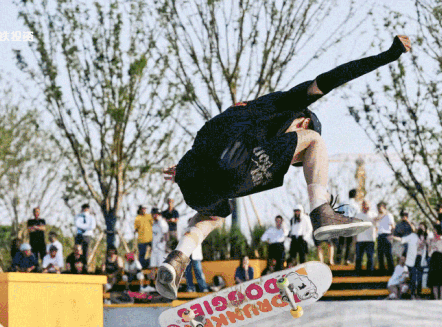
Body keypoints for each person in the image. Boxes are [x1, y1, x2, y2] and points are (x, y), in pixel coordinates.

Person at [155, 35, 412, 298]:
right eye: (296, 160)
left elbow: (211, 135)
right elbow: (334, 77)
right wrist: (387, 56)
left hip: (192, 173)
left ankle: (177, 259)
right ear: (303, 121)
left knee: (214, 215)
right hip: (236, 162)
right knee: (315, 142)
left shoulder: (247, 111)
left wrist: (188, 167)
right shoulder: (290, 104)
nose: (290, 160)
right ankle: (322, 211)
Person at [147, 208, 170, 292]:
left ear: (158, 214)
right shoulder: (154, 223)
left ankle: (163, 286)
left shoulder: (162, 222)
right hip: (154, 249)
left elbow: (166, 234)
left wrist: (165, 246)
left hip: (161, 249)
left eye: (154, 214)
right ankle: (151, 285)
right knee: (152, 266)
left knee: (161, 267)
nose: (153, 216)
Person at [335, 189, 360, 264]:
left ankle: (338, 260)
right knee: (349, 243)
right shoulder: (356, 205)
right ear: (355, 196)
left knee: (341, 242)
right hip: (351, 224)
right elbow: (357, 216)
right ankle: (347, 260)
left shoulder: (342, 203)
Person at [427, 224, 442, 300]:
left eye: (435, 230)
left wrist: (439, 242)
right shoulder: (432, 239)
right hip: (434, 259)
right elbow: (429, 252)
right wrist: (430, 244)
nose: (434, 231)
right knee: (434, 280)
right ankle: (436, 298)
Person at [398, 227, 422, 299]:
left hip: (416, 259)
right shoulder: (414, 236)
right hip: (414, 259)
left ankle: (414, 293)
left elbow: (402, 240)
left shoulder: (414, 236)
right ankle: (413, 293)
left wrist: (393, 237)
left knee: (415, 277)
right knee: (413, 277)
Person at [354, 200, 376, 272]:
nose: (365, 206)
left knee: (370, 257)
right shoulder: (358, 215)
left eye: (366, 204)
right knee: (358, 257)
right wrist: (355, 239)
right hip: (360, 239)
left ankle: (370, 273)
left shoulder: (374, 215)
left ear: (369, 205)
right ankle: (357, 272)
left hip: (370, 240)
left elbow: (377, 225)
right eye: (363, 204)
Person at [375, 201, 395, 273]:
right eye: (378, 208)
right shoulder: (378, 217)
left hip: (387, 235)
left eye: (380, 208)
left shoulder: (389, 215)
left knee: (388, 254)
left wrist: (392, 235)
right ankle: (382, 270)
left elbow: (393, 226)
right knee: (380, 254)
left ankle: (391, 270)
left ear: (384, 207)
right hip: (380, 235)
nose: (378, 209)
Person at [134, 205, 153, 269]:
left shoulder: (149, 216)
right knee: (142, 254)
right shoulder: (137, 218)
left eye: (145, 209)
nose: (144, 210)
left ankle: (152, 265)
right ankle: (142, 268)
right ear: (140, 209)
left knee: (154, 252)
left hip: (150, 238)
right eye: (143, 209)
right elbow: (136, 229)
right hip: (142, 239)